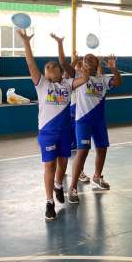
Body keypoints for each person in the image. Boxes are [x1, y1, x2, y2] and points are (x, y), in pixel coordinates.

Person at [17, 30, 88, 220]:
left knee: (63, 162)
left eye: (53, 66)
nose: (49, 67)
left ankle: (58, 185)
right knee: (50, 164)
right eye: (47, 67)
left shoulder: (67, 84)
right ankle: (49, 202)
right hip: (48, 132)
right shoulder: (41, 84)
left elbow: (84, 79)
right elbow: (30, 63)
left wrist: (85, 68)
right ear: (45, 73)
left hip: (65, 131)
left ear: (58, 71)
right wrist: (26, 43)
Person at [67, 53, 122, 204]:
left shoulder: (102, 80)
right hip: (83, 121)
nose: (87, 59)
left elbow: (118, 82)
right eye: (86, 58)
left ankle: (97, 177)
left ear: (97, 63)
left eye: (91, 58)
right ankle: (72, 187)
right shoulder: (79, 77)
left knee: (102, 149)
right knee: (82, 151)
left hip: (99, 122)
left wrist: (114, 68)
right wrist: (75, 59)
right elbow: (66, 68)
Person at [51, 35, 91, 183]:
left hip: (80, 114)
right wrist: (74, 59)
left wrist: (78, 61)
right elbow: (65, 67)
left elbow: (67, 69)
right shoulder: (68, 80)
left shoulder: (81, 79)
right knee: (67, 147)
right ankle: (60, 172)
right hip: (70, 113)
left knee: (80, 147)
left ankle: (79, 171)